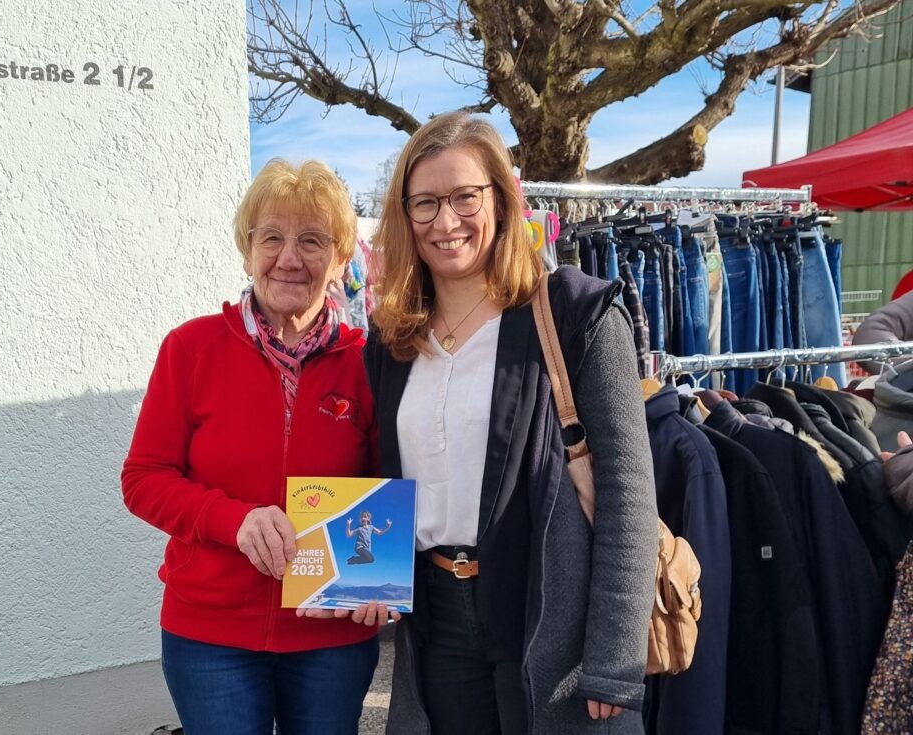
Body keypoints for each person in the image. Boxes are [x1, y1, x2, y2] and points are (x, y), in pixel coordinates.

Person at [364, 111, 658, 735]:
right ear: (404, 215)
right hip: (437, 618)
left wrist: (614, 660)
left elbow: (629, 495)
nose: (446, 222)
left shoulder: (578, 316)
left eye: (465, 196)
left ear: (501, 198)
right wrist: (367, 577)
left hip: (553, 617)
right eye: (425, 204)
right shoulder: (391, 342)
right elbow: (382, 475)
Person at [121, 159, 397, 735]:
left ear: (342, 260)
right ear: (248, 253)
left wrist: (380, 584)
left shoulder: (370, 364)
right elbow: (144, 478)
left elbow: (387, 488)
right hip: (209, 635)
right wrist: (234, 521)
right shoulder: (190, 349)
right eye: (271, 237)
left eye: (312, 240)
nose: (289, 257)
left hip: (332, 634)